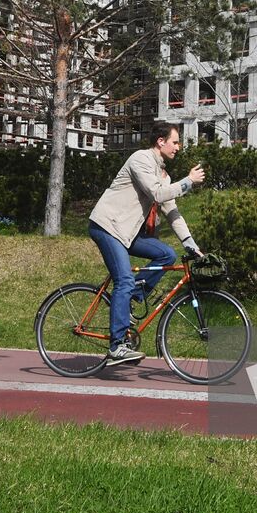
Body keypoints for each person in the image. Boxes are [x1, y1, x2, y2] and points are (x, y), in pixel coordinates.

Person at [88, 121, 205, 366]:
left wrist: (191, 245)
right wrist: (188, 181)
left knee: (166, 254)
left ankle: (132, 299)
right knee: (124, 279)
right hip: (108, 227)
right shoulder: (140, 159)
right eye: (175, 142)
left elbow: (172, 212)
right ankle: (117, 346)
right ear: (160, 142)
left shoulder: (164, 174)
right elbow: (158, 194)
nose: (178, 147)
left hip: (128, 233)